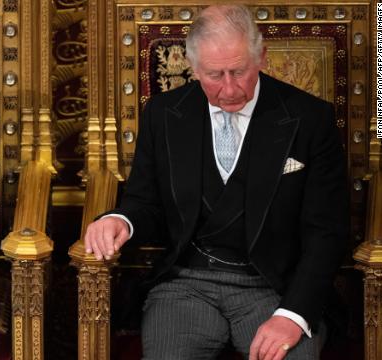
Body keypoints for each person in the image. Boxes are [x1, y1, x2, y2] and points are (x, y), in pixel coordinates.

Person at [84, 5, 348, 360]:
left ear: (261, 58)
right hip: (186, 284)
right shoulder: (163, 114)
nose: (228, 89)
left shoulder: (310, 118)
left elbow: (326, 232)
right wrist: (120, 220)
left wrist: (293, 315)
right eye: (214, 74)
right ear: (192, 67)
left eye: (239, 72)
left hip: (273, 287)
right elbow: (145, 202)